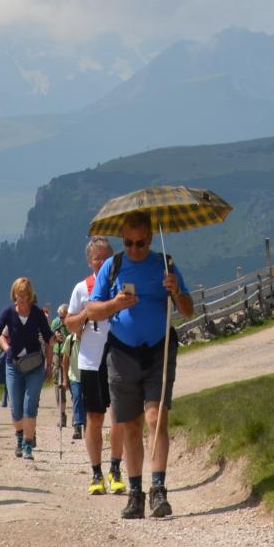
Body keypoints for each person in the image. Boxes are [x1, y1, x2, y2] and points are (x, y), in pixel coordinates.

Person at [86, 212, 193, 519]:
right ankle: (135, 493)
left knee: (156, 417)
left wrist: (176, 291)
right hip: (121, 352)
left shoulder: (165, 265)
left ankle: (158, 489)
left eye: (141, 243)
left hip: (159, 350)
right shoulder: (112, 266)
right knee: (130, 424)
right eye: (129, 243)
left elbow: (187, 310)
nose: (134, 249)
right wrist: (114, 305)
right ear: (123, 240)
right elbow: (93, 310)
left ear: (150, 238)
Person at [65, 236, 127, 496]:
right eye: (96, 257)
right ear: (90, 261)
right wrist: (85, 315)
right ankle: (96, 472)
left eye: (105, 256)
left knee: (119, 415)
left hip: (120, 355)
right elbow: (69, 322)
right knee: (94, 417)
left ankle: (115, 469)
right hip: (90, 359)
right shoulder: (82, 288)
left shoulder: (122, 284)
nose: (101, 261)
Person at [0, 277, 54, 460]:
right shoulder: (8, 312)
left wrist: (50, 360)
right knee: (16, 409)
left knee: (30, 405)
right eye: (19, 295)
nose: (22, 298)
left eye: (25, 295)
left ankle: (27, 444)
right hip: (14, 366)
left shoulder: (37, 313)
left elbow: (48, 336)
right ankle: (19, 436)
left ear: (30, 295)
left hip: (34, 365)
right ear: (14, 295)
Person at [50, 304, 69, 427]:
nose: (61, 320)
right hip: (57, 354)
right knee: (58, 385)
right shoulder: (55, 322)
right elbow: (50, 341)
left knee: (73, 383)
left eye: (64, 317)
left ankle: (78, 416)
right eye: (60, 317)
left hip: (69, 354)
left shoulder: (72, 322)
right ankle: (62, 415)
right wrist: (55, 337)